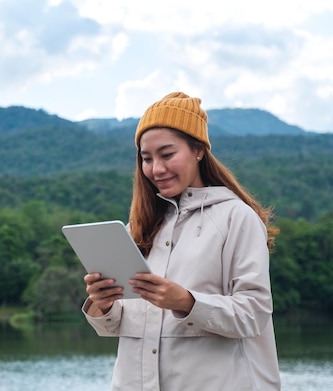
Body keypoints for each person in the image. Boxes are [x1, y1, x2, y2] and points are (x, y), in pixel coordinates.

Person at [82, 92, 281, 390]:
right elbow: (122, 325)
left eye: (167, 154)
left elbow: (254, 314)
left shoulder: (236, 217)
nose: (156, 169)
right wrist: (103, 305)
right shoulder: (140, 226)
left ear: (198, 150)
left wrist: (187, 302)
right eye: (146, 158)